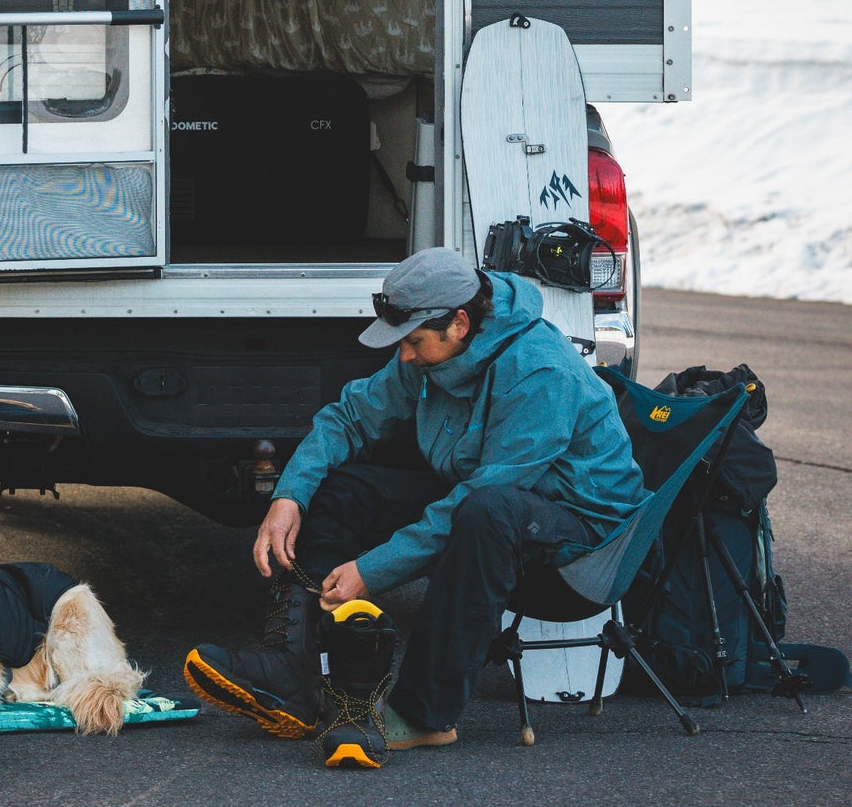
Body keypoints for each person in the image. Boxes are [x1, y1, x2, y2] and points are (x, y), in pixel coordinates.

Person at [184, 246, 647, 768]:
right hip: (491, 498)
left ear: (460, 324)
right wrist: (289, 496)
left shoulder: (540, 373)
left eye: (413, 342)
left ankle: (427, 713)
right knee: (345, 490)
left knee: (485, 513)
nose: (404, 355)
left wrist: (370, 572)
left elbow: (478, 499)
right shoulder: (435, 347)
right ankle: (295, 672)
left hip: (583, 534)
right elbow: (350, 417)